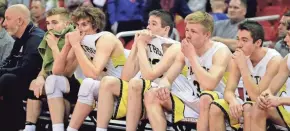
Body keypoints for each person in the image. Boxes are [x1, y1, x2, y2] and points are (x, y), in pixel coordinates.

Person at [96, 10, 184, 131]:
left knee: (136, 83)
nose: (148, 27)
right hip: (140, 88)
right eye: (148, 23)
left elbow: (150, 76)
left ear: (166, 29)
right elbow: (126, 77)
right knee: (107, 82)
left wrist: (142, 47)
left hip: (164, 91)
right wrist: (136, 46)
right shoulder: (146, 44)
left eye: (154, 24)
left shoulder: (174, 47)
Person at [43, 6, 127, 131]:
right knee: (53, 80)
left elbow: (92, 74)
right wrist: (66, 45)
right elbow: (59, 71)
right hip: (94, 89)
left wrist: (76, 45)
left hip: (118, 89)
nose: (79, 29)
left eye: (84, 25)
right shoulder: (81, 40)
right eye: (77, 25)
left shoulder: (106, 38)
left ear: (96, 25)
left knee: (89, 83)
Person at [144, 11, 231, 131]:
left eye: (193, 31)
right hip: (195, 98)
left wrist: (192, 57)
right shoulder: (184, 50)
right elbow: (168, 78)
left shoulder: (220, 51)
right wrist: (164, 87)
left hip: (217, 102)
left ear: (207, 35)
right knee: (152, 94)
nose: (188, 35)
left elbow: (209, 85)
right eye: (187, 30)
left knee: (206, 97)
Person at [209, 20, 282, 131]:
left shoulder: (274, 60)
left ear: (258, 43)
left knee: (250, 107)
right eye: (238, 39)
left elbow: (257, 97)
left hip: (274, 108)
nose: (239, 44)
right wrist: (233, 100)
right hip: (247, 104)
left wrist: (243, 67)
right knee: (215, 107)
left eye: (244, 40)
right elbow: (228, 91)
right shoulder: (238, 57)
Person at [23, 7, 73, 131]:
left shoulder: (73, 39)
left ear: (67, 24)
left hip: (72, 84)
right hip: (54, 82)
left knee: (53, 80)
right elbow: (47, 66)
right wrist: (40, 77)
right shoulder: (51, 38)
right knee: (35, 83)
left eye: (54, 23)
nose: (50, 27)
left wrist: (54, 46)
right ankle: (29, 128)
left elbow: (63, 71)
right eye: (48, 23)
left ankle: (57, 127)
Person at [0, 4, 44, 130]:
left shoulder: (36, 38)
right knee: (7, 79)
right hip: (19, 82)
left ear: (19, 21)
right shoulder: (21, 37)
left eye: (7, 19)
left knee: (8, 79)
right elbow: (9, 61)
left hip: (37, 84)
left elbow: (27, 70)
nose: (4, 24)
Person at [250, 24, 290, 131]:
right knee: (259, 105)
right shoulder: (287, 59)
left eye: (289, 35)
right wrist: (263, 97)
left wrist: (280, 100)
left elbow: (278, 99)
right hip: (286, 111)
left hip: (285, 104)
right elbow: (271, 89)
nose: (286, 40)